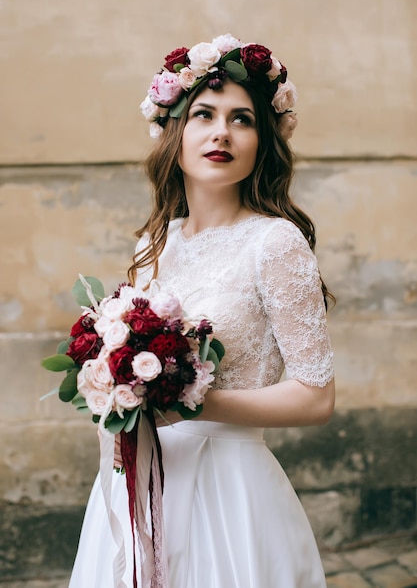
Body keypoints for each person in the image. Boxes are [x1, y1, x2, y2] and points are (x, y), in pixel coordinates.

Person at [69, 33, 335, 588]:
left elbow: (316, 397)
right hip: (138, 478)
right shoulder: (156, 242)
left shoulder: (275, 243)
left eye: (243, 119)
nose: (222, 131)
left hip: (227, 488)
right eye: (204, 115)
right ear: (176, 134)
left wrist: (193, 405)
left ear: (263, 140)